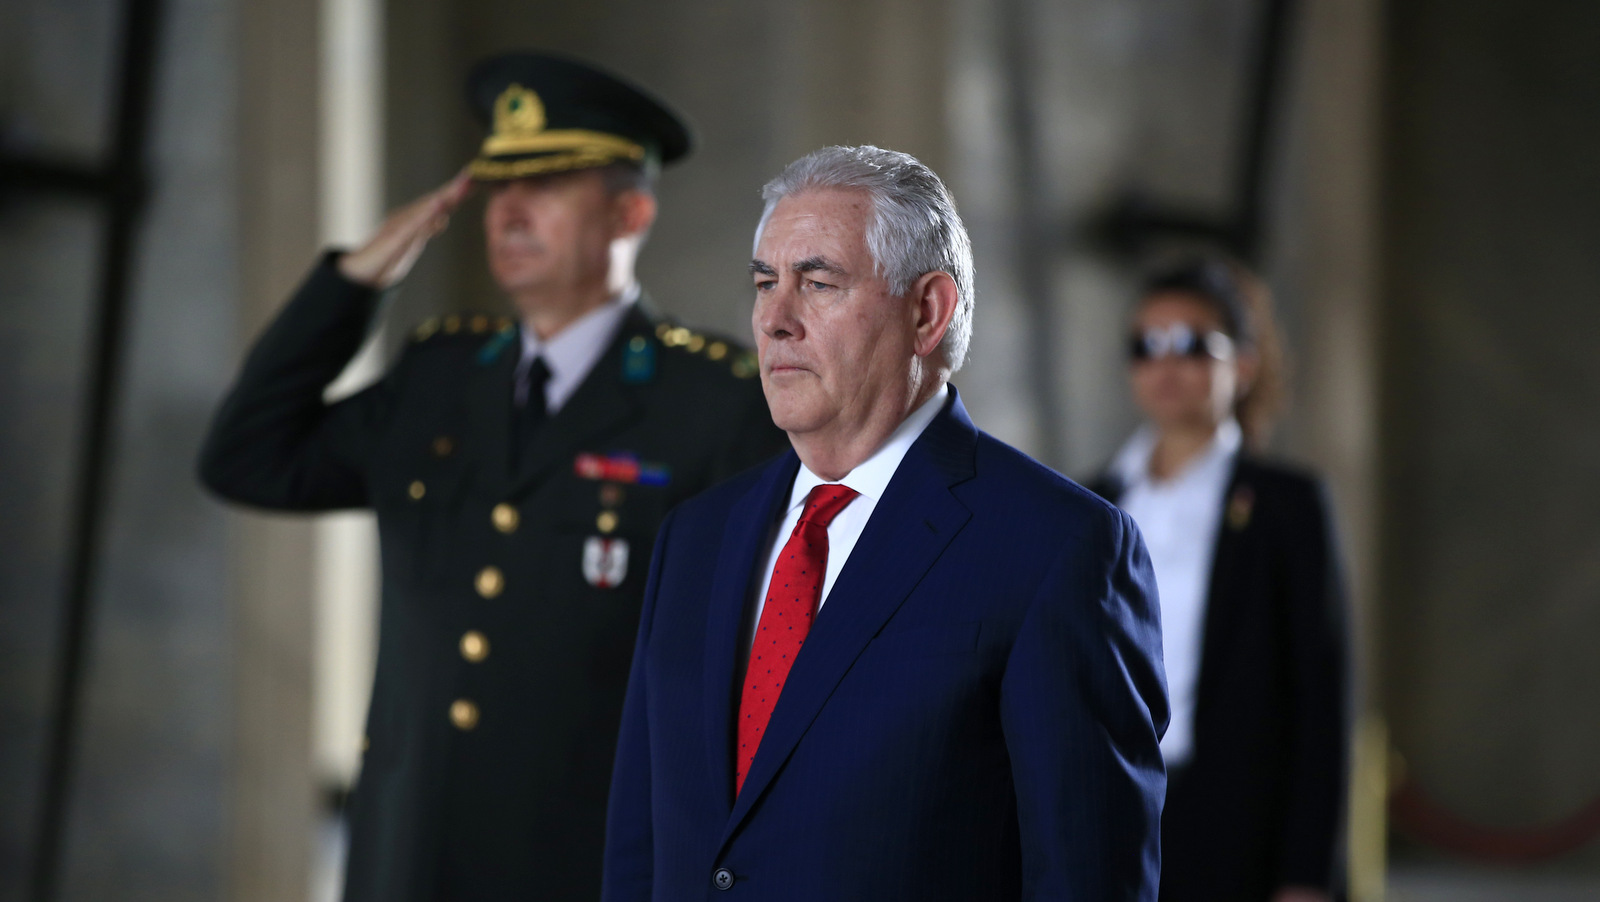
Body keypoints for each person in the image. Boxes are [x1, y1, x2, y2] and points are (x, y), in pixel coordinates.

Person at [198, 51, 787, 902]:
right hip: (402, 858)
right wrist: (354, 284)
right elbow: (245, 456)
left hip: (579, 862)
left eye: (546, 185)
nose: (509, 210)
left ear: (629, 211)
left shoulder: (716, 403)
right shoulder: (441, 376)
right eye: (499, 185)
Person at [601, 145, 1168, 901]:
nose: (774, 321)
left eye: (818, 282)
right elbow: (640, 851)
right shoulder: (696, 538)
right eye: (765, 283)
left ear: (928, 311)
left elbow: (1088, 879)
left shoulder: (1057, 550)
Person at [1087, 257, 1351, 902]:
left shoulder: (1287, 505)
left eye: (1192, 345)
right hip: (1109, 810)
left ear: (1246, 363)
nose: (1166, 364)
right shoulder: (1089, 502)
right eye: (1146, 345)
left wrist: (1308, 873)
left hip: (1235, 822)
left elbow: (1322, 696)